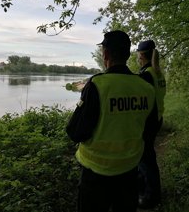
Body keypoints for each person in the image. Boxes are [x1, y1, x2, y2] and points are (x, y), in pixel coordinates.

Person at [66, 30, 158, 212]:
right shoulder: (145, 87)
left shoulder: (97, 85)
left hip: (95, 173)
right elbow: (151, 129)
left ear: (105, 54)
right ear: (127, 54)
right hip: (130, 170)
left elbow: (75, 132)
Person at [136, 40, 166, 209]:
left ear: (141, 55)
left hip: (149, 121)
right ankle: (145, 190)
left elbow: (142, 102)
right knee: (147, 156)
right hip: (158, 117)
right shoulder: (158, 72)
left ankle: (151, 197)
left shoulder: (146, 74)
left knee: (145, 159)